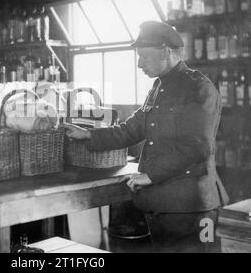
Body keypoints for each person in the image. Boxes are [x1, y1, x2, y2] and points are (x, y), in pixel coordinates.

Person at [63, 21, 229, 253]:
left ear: (165, 52)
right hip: (163, 205)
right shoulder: (158, 88)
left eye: (144, 56)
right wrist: (88, 134)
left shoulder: (198, 87)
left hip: (192, 208)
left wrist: (150, 176)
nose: (139, 64)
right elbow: (131, 129)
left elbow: (197, 148)